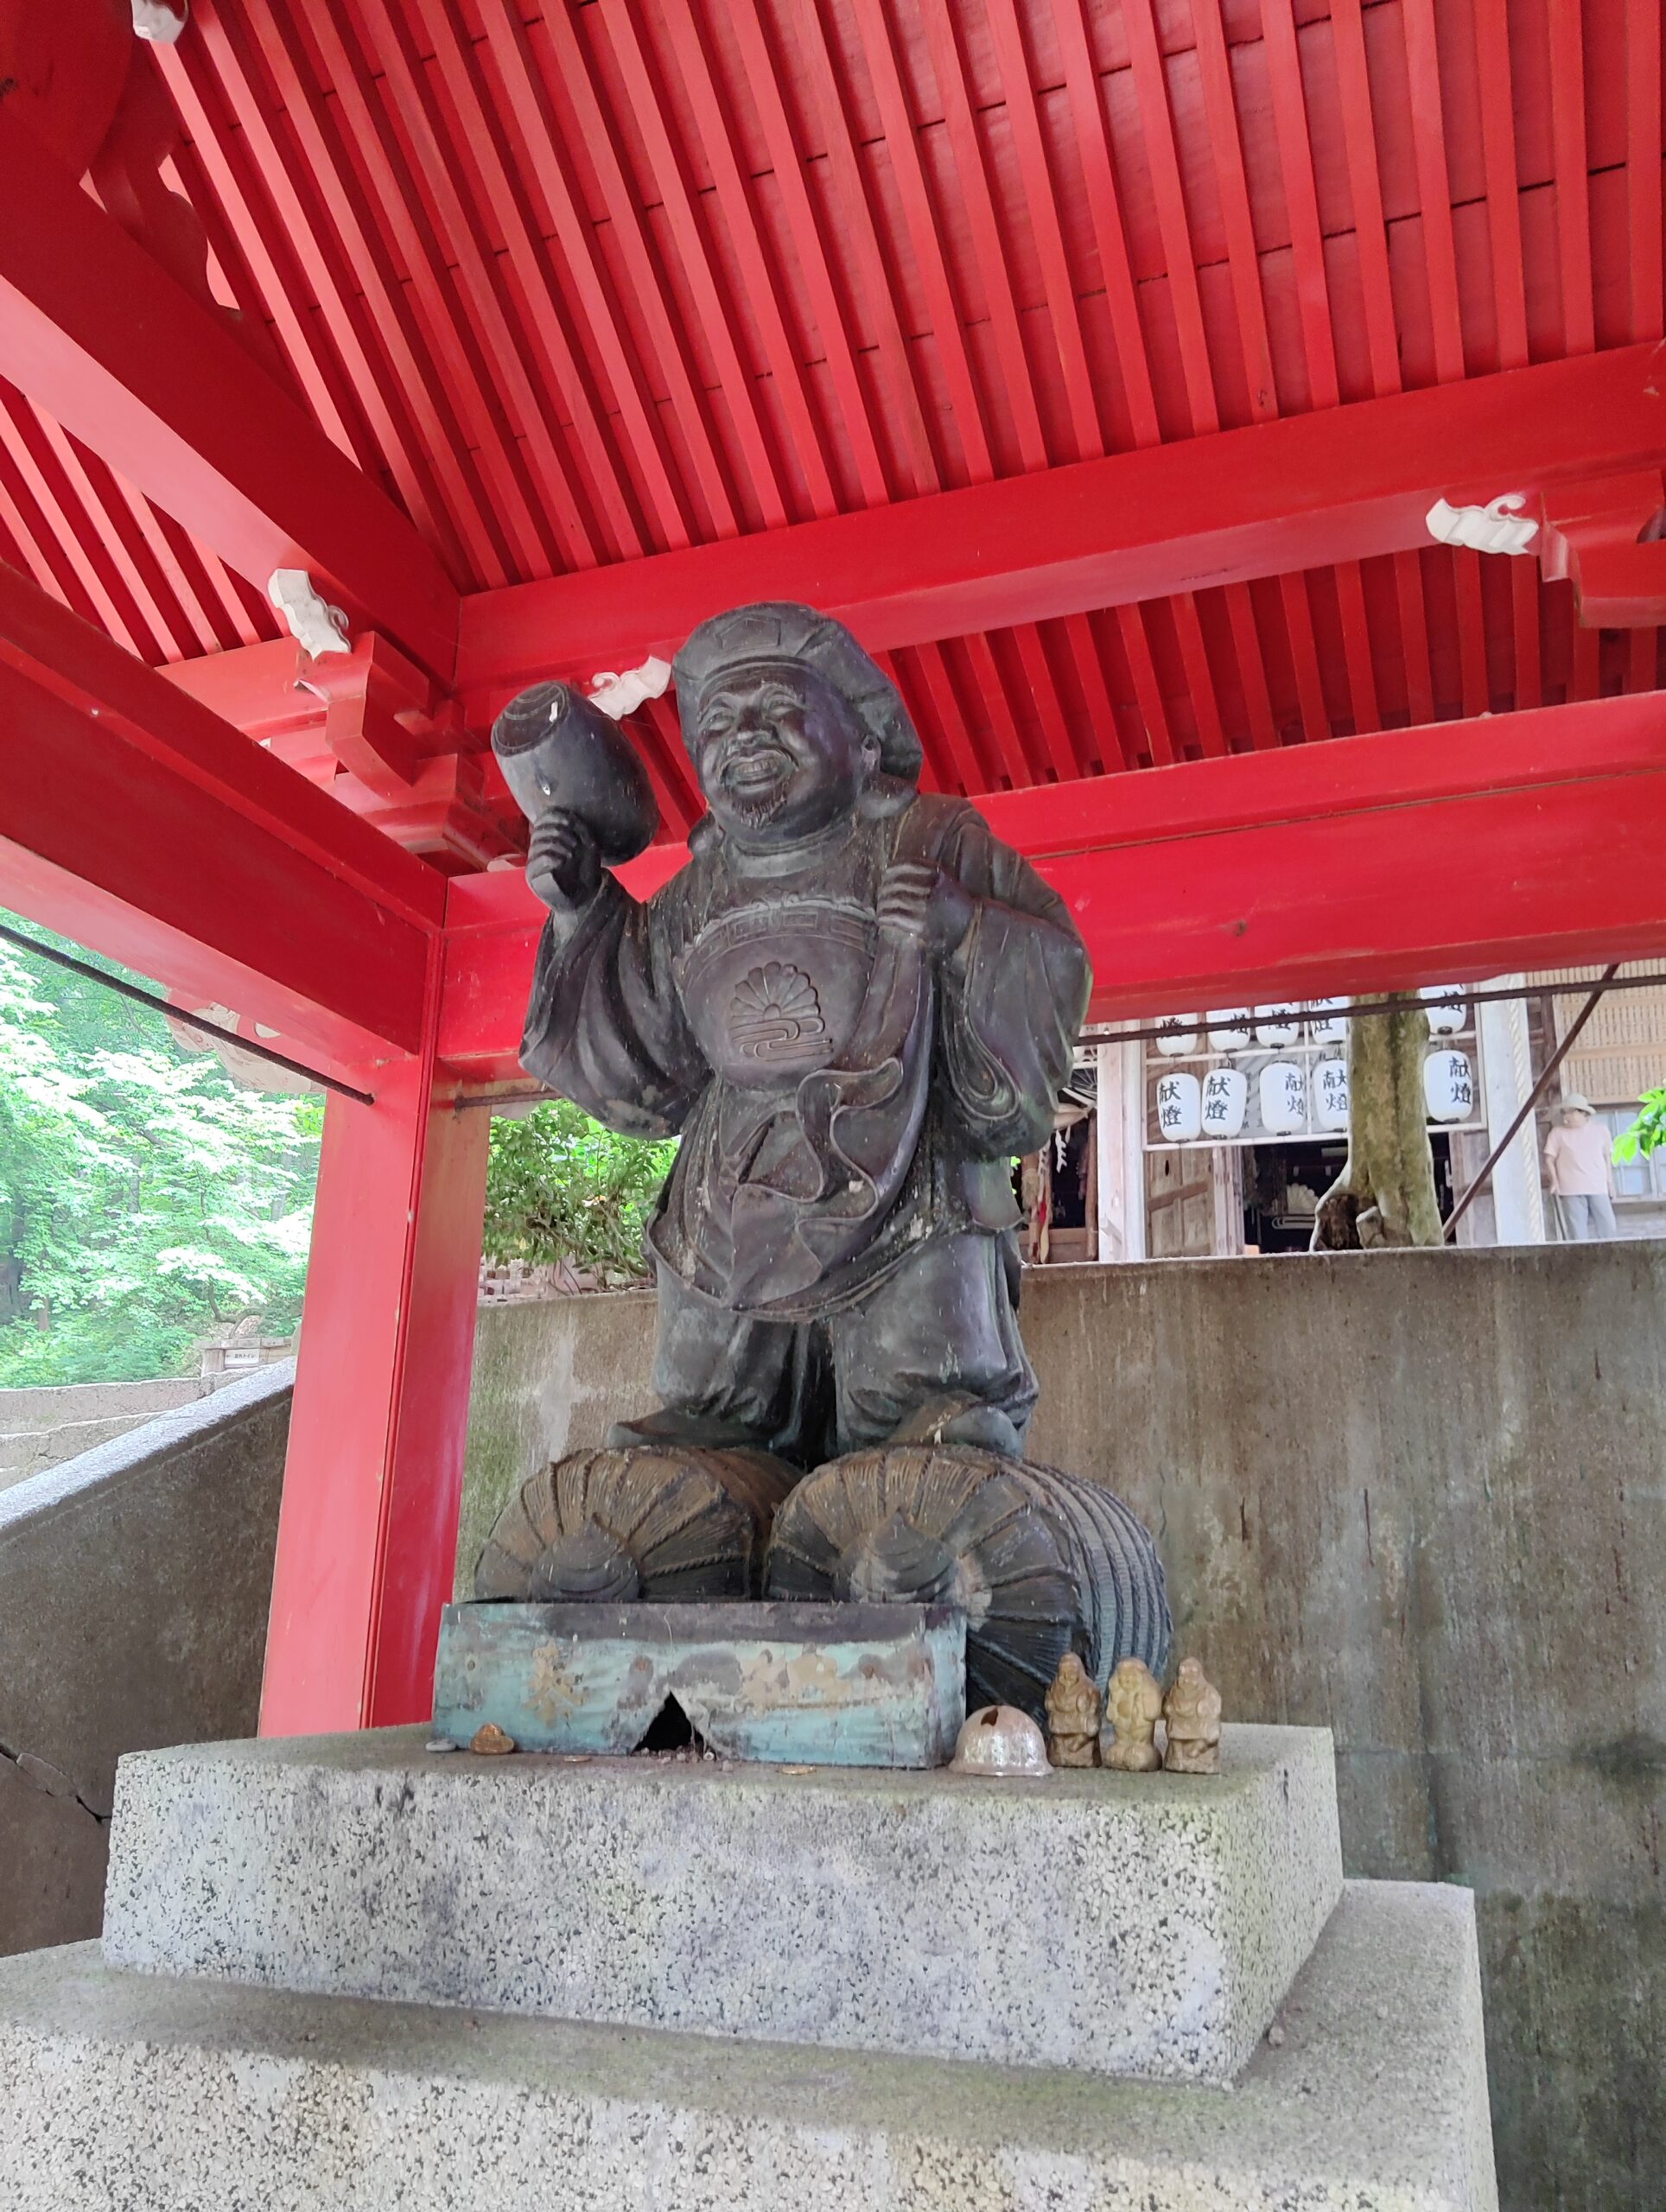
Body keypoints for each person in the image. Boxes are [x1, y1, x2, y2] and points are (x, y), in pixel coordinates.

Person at [518, 601, 1091, 1468]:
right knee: (703, 1416)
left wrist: (964, 927)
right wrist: (579, 914)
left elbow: (1053, 962)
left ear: (861, 743)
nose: (743, 734)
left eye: (777, 710)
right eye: (717, 721)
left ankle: (922, 1427)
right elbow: (647, 1061)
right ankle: (719, 1430)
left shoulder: (930, 838)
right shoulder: (696, 891)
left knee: (920, 1415)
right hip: (730, 1185)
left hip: (904, 1166)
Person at [1543, 1091, 1618, 1241]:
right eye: (1564, 1112)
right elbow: (1549, 1159)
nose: (1566, 1116)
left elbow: (1607, 1158)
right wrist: (1555, 1181)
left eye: (1571, 1112)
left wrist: (1610, 1183)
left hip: (1598, 1187)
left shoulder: (1601, 1131)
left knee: (1609, 1229)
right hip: (1571, 1189)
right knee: (1577, 1235)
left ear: (1582, 1113)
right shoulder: (1557, 1133)